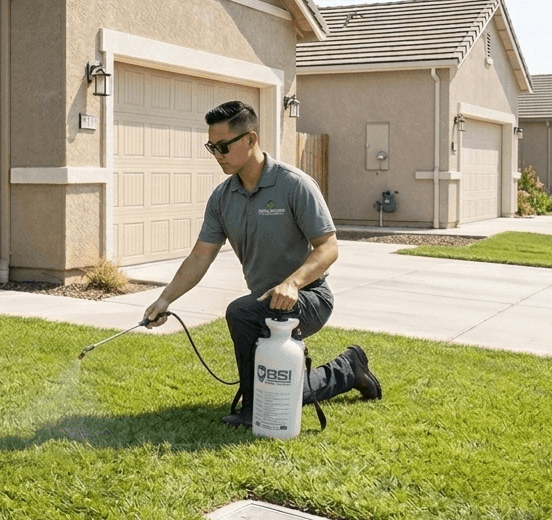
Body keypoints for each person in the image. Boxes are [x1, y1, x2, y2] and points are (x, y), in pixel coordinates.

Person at [143, 100, 381, 427]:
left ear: (251, 139)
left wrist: (293, 283)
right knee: (280, 386)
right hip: (264, 304)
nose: (217, 155)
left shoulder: (294, 185)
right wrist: (164, 299)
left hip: (310, 297)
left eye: (224, 146)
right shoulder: (222, 198)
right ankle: (348, 369)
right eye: (212, 147)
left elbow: (328, 247)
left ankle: (254, 407)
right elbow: (200, 256)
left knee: (241, 314)